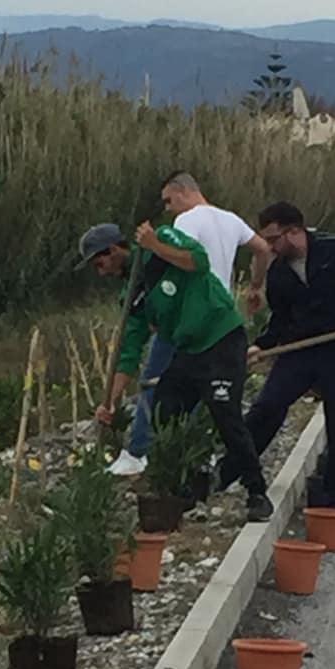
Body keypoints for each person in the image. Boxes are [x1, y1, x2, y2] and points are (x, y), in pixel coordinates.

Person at [77, 220, 273, 522]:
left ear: (115, 249)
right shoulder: (134, 294)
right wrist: (111, 401)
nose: (100, 270)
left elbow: (199, 261)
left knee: (226, 414)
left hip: (221, 338)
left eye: (99, 261)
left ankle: (256, 492)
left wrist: (155, 246)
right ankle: (189, 482)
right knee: (164, 411)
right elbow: (129, 351)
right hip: (188, 351)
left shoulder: (163, 240)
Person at [219, 201, 335, 510]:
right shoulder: (280, 274)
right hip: (300, 351)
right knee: (267, 407)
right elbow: (281, 317)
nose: (270, 247)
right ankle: (228, 472)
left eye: (274, 239)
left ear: (295, 231)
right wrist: (264, 344)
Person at [107, 171, 271, 477]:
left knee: (152, 383)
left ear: (183, 191)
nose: (168, 208)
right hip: (221, 319)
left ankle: (138, 452)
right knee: (205, 391)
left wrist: (155, 251)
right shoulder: (231, 219)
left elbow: (182, 263)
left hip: (186, 317)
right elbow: (263, 248)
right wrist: (255, 286)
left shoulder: (186, 222)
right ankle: (196, 453)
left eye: (169, 200)